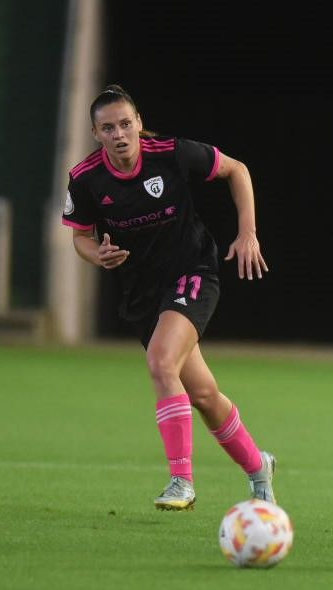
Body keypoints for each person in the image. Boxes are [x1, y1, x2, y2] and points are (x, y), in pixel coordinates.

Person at [62, 85, 275, 511]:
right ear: (95, 133)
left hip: (193, 272)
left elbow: (238, 170)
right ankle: (258, 468)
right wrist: (97, 256)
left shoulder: (171, 153)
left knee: (161, 361)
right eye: (108, 128)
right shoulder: (86, 179)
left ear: (139, 122)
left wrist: (247, 232)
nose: (120, 133)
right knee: (204, 395)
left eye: (126, 123)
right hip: (143, 294)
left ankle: (182, 480)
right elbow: (80, 238)